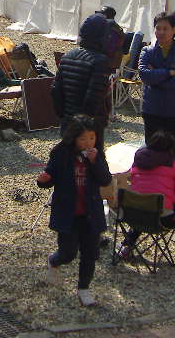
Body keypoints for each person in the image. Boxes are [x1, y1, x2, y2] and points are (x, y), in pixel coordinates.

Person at [37, 114, 113, 308]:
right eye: (83, 139)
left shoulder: (96, 154)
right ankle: (54, 261)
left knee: (90, 253)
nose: (88, 143)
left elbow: (105, 180)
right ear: (73, 138)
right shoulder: (61, 153)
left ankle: (84, 289)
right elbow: (51, 175)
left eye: (92, 138)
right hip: (68, 213)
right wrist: (44, 180)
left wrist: (96, 162)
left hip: (91, 213)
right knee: (68, 253)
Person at [117, 129, 175, 265]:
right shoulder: (173, 162)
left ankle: (126, 246)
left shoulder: (138, 158)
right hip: (160, 220)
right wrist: (170, 198)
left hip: (131, 215)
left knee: (143, 204)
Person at [52, 14, 111, 148]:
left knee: (68, 157)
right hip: (89, 125)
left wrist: (63, 115)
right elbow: (93, 97)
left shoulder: (67, 56)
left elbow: (55, 90)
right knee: (91, 159)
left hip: (68, 119)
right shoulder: (100, 61)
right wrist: (86, 123)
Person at [138, 12, 175, 153]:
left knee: (174, 152)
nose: (161, 32)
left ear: (174, 30)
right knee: (151, 152)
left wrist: (156, 81)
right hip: (152, 109)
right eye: (158, 28)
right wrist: (169, 73)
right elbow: (144, 74)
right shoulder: (147, 51)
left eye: (165, 28)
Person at [96, 5, 126, 72]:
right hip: (105, 63)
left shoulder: (112, 29)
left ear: (106, 15)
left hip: (106, 65)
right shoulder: (108, 27)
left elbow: (109, 49)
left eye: (101, 14)